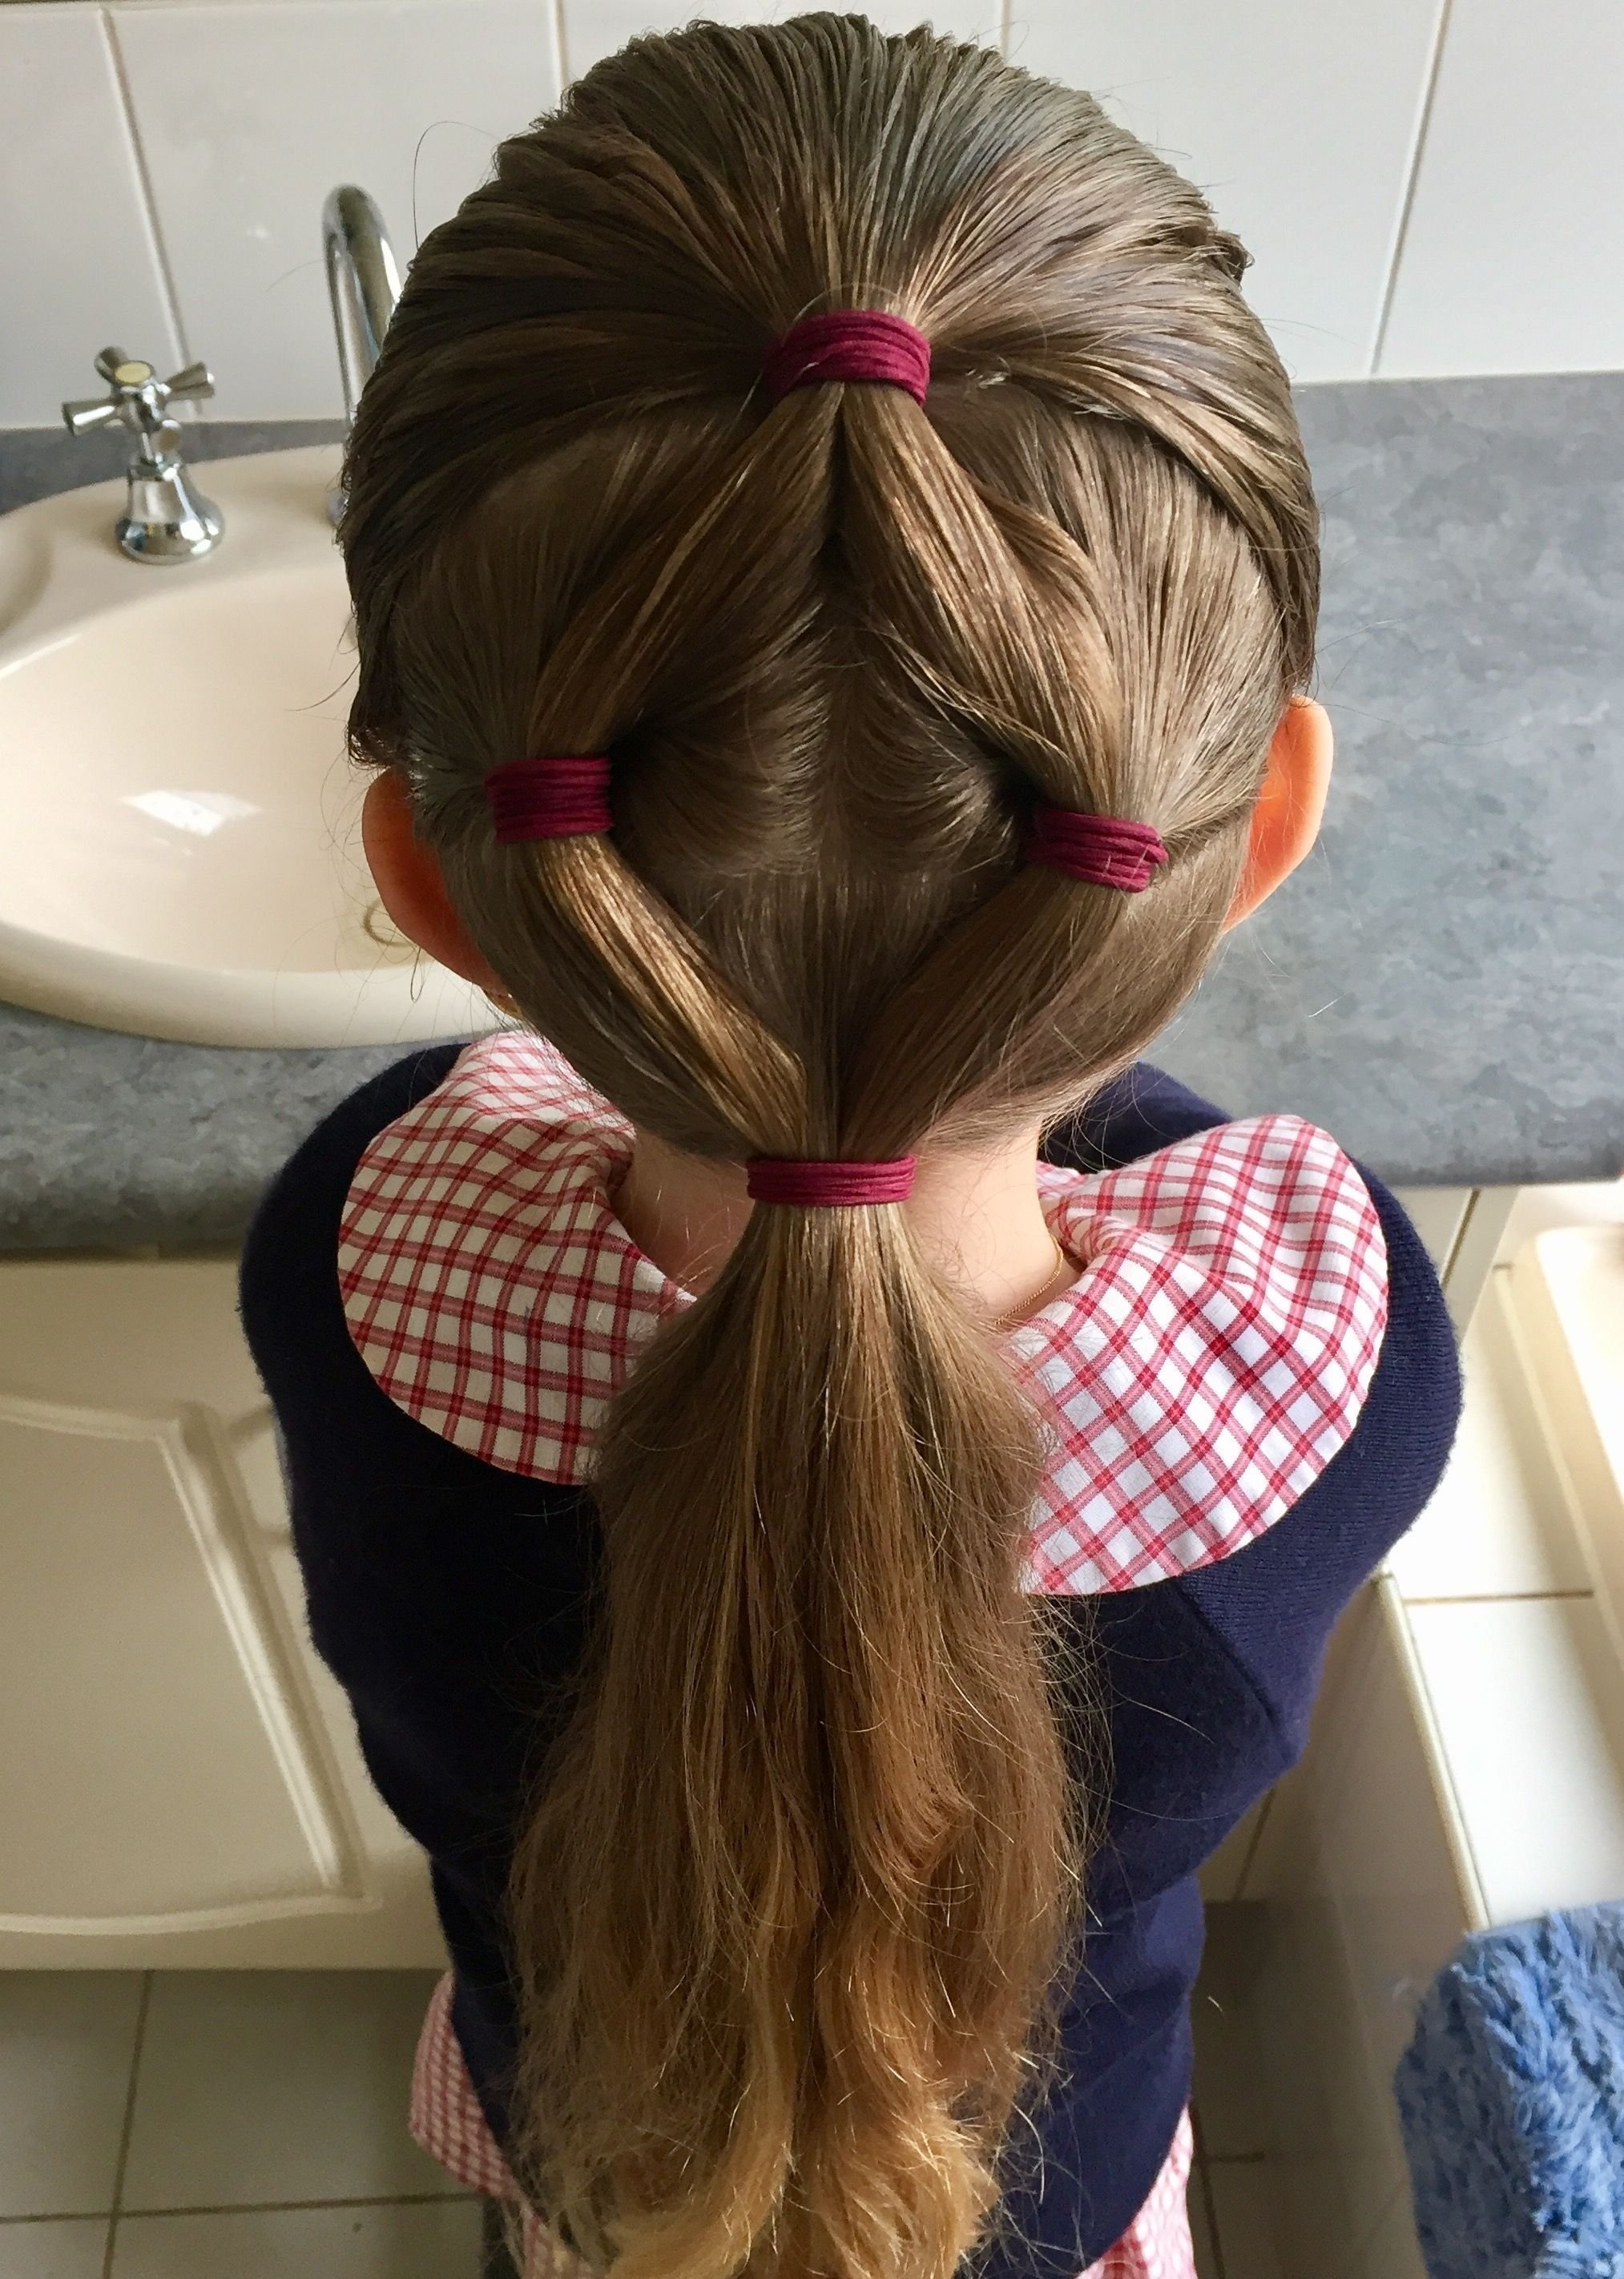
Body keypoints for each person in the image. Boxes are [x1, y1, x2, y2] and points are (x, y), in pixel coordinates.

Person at [239, 17, 1461, 2278]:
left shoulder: (364, 1250)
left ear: (435, 884)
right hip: (1048, 2221)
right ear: (1253, 828)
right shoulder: (1317, 1373)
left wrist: (836, 1029)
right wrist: (970, 1015)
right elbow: (1142, 1141)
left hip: (591, 2172)